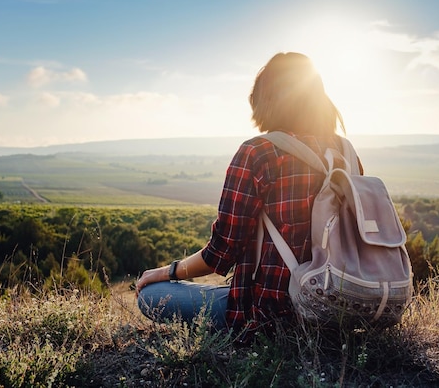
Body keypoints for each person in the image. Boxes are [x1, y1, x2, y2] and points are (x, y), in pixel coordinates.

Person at [135, 52, 360, 339]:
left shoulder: (258, 152)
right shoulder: (347, 152)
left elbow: (221, 254)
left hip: (270, 314)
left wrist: (167, 271)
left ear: (266, 99)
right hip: (340, 307)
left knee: (152, 296)